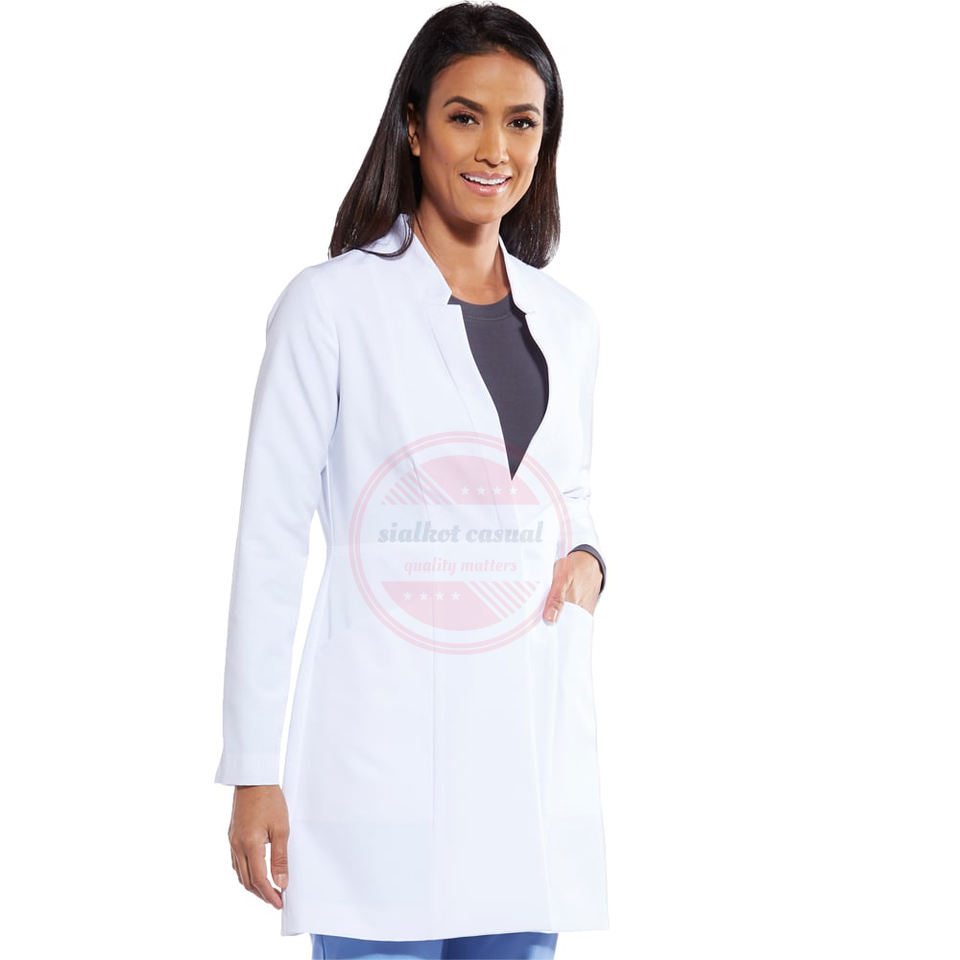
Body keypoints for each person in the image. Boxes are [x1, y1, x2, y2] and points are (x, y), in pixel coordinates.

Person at [215, 4, 609, 958]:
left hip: (524, 758)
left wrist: (592, 559)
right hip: (377, 759)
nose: (495, 149)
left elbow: (567, 490)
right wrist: (254, 768)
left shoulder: (567, 320)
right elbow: (271, 539)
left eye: (522, 122)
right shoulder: (331, 306)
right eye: (465, 116)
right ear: (414, 126)